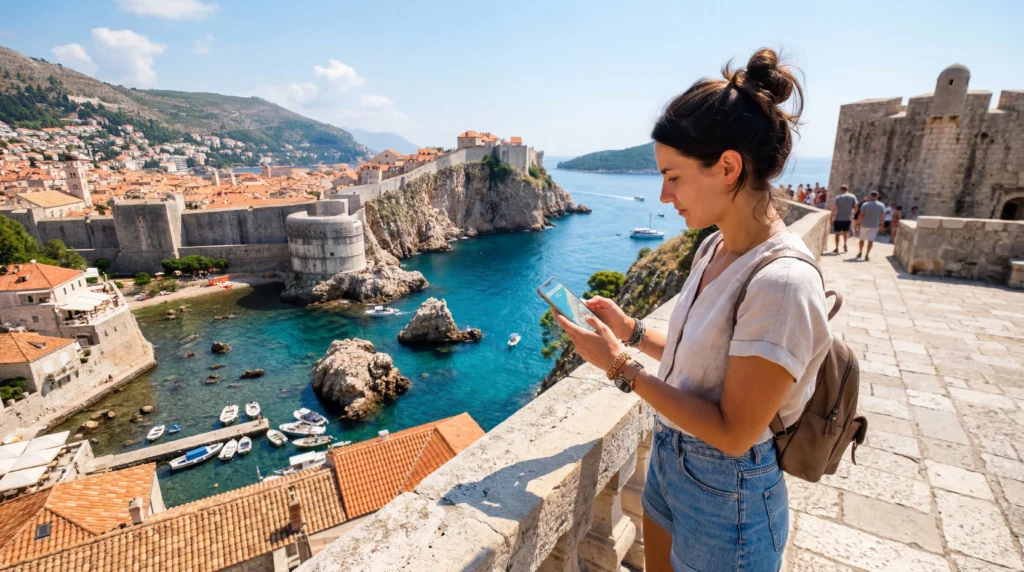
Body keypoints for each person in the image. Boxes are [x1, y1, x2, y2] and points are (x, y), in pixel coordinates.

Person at [554, 48, 830, 572]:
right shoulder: (714, 247)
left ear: (728, 167)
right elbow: (700, 359)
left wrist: (617, 366)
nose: (663, 194)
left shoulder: (782, 284)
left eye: (674, 176)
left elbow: (733, 430)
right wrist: (632, 331)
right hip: (669, 460)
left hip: (729, 494)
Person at [856, 191, 885, 261]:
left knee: (862, 240)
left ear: (870, 196)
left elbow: (861, 215)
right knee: (870, 241)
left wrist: (857, 224)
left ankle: (860, 252)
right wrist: (881, 225)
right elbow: (882, 216)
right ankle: (867, 254)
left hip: (864, 225)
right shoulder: (881, 205)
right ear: (877, 197)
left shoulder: (865, 204)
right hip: (874, 226)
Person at [831, 184, 857, 253]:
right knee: (846, 232)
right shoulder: (852, 196)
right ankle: (845, 244)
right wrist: (852, 214)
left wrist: (832, 216)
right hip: (847, 218)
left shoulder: (838, 197)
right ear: (847, 189)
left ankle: (836, 248)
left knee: (837, 234)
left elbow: (835, 208)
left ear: (841, 190)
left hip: (838, 218)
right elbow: (856, 207)